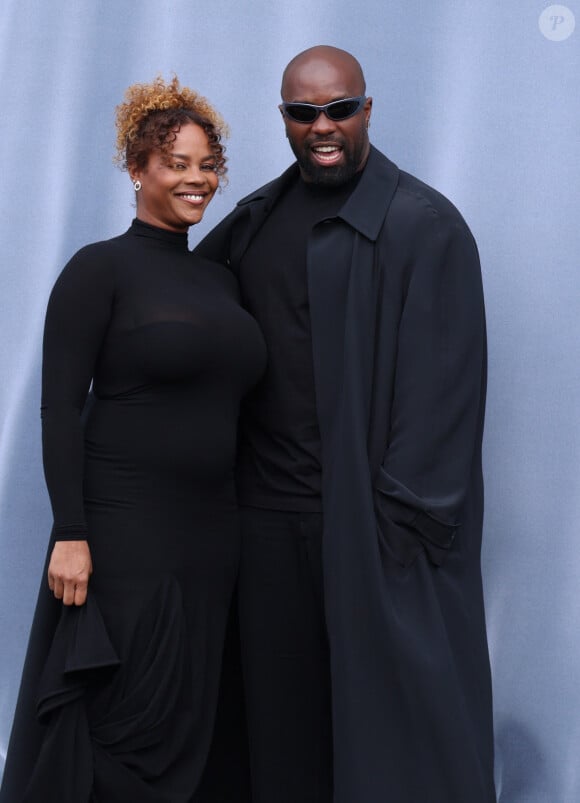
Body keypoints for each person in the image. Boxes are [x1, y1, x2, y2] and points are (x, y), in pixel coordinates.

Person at [194, 45, 496, 803]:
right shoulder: (254, 220)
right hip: (265, 522)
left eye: (339, 109)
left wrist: (396, 531)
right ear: (285, 119)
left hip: (364, 529)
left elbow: (444, 406)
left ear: (367, 109)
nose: (322, 126)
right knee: (278, 730)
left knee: (385, 738)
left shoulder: (423, 226)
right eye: (304, 113)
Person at [0, 76, 264, 802]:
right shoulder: (99, 269)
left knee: (193, 706)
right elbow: (59, 408)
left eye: (207, 164)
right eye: (176, 162)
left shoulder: (222, 284)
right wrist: (71, 532)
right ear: (137, 168)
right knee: (123, 707)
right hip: (124, 530)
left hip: (214, 534)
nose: (196, 179)